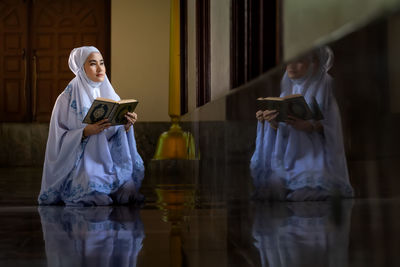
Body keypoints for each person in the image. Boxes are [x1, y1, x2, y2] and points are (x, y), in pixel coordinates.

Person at [38, 46, 144, 206]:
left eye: (102, 63)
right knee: (93, 193)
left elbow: (114, 132)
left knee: (127, 190)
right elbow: (58, 137)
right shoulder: (66, 98)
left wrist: (126, 125)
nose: (100, 68)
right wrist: (85, 132)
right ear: (81, 67)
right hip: (82, 162)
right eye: (93, 63)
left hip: (108, 158)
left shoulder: (111, 95)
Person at [250, 46, 354, 201]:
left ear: (314, 64)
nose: (291, 66)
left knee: (307, 189)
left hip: (317, 156)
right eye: (288, 62)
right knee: (272, 190)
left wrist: (310, 126)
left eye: (298, 61)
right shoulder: (286, 92)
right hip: (289, 155)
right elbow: (283, 130)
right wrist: (271, 122)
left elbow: (334, 124)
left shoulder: (325, 86)